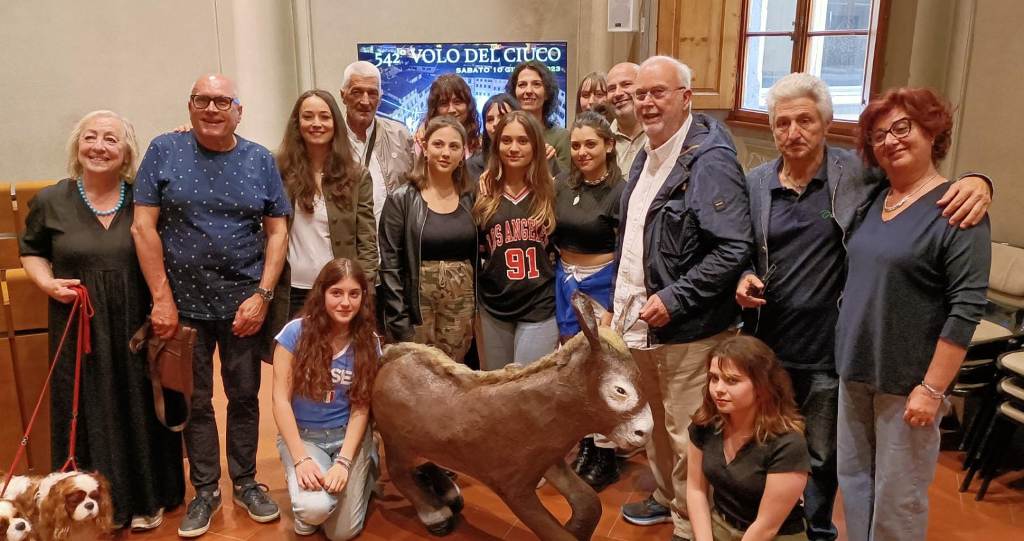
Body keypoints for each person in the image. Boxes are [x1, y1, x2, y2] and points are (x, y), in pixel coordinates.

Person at [734, 72, 993, 541]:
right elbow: (741, 246)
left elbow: (965, 304)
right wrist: (742, 275)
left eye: (805, 120)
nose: (793, 132)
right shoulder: (769, 185)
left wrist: (979, 181)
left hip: (858, 360)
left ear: (826, 123)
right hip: (810, 352)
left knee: (861, 476)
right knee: (842, 474)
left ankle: (817, 532)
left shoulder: (861, 177)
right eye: (782, 123)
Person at [131, 73, 290, 537]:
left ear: (239, 111)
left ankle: (245, 481)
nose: (212, 109)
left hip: (244, 306)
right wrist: (161, 299)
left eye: (223, 101)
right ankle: (204, 489)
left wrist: (262, 296)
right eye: (203, 100)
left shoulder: (259, 159)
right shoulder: (164, 150)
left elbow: (277, 231)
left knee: (244, 397)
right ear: (190, 106)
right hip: (182, 308)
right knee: (195, 401)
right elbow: (142, 228)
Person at [834, 87, 990, 541]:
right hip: (854, 367)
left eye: (903, 128)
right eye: (879, 134)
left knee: (898, 501)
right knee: (856, 486)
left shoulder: (957, 210)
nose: (891, 140)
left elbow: (966, 308)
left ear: (932, 132)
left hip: (909, 381)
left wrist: (933, 389)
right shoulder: (874, 199)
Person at [19, 110, 185, 531]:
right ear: (77, 146)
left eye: (111, 139)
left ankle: (147, 499)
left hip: (134, 322)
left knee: (140, 404)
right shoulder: (51, 200)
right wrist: (47, 283)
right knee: (90, 409)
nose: (99, 146)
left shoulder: (144, 199)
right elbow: (32, 251)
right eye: (90, 137)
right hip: (79, 325)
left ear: (127, 151)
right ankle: (85, 507)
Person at [613, 56, 752, 541]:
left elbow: (733, 246)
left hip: (687, 329)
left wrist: (675, 298)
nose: (647, 103)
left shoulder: (709, 160)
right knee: (655, 422)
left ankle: (690, 525)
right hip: (640, 324)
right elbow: (636, 237)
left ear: (686, 97)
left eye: (659, 92)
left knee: (687, 432)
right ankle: (670, 500)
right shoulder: (648, 152)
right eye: (641, 94)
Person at [271, 258, 380, 539]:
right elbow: (280, 401)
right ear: (322, 293)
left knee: (340, 534)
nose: (345, 303)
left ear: (363, 297)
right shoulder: (294, 333)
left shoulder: (368, 341)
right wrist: (300, 459)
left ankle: (365, 467)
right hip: (305, 438)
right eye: (336, 293)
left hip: (348, 438)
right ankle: (316, 490)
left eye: (354, 294)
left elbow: (361, 406)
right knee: (313, 511)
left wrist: (344, 462)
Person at [265, 89, 378, 357]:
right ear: (297, 123)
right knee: (291, 365)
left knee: (336, 365)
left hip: (338, 294)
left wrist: (363, 291)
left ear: (335, 123)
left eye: (324, 117)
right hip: (290, 292)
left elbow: (367, 241)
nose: (316, 123)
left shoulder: (356, 175)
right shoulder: (276, 169)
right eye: (308, 116)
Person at [553, 111, 625, 490]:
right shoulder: (563, 186)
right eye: (576, 145)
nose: (582, 152)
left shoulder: (621, 192)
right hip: (565, 283)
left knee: (603, 371)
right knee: (576, 369)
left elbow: (628, 252)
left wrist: (613, 305)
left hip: (602, 284)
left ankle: (606, 453)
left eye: (591, 144)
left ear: (608, 145)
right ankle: (586, 444)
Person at [686, 336, 810, 541]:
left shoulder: (788, 444)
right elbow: (696, 490)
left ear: (761, 387)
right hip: (720, 525)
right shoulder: (705, 425)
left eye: (731, 380)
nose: (718, 389)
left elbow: (766, 527)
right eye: (714, 378)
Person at [379, 116, 477, 362]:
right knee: (417, 374)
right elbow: (390, 265)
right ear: (424, 147)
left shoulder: (472, 198)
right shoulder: (401, 199)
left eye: (454, 146)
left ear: (463, 154)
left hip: (460, 309)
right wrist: (399, 320)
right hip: (415, 311)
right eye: (438, 144)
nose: (445, 153)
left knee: (454, 374)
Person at [473, 110, 559, 369]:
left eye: (523, 141)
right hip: (494, 306)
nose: (513, 148)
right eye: (506, 140)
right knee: (497, 387)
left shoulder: (552, 191)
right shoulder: (483, 192)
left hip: (539, 306)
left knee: (529, 386)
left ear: (536, 146)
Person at [339, 60, 415, 224]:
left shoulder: (400, 136)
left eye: (372, 93)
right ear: (343, 95)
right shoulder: (331, 139)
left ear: (380, 98)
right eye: (357, 92)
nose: (365, 101)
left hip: (392, 236)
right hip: (346, 236)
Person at [467, 93, 560, 183]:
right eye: (490, 119)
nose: (495, 124)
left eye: (503, 116)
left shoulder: (545, 156)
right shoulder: (473, 165)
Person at [506, 60, 570, 174]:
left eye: (536, 84)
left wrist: (552, 161)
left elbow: (567, 179)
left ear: (547, 93)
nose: (528, 91)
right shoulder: (504, 135)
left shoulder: (561, 137)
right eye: (522, 85)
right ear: (514, 92)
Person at [415, 73, 481, 157]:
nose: (451, 110)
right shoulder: (422, 142)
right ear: (435, 109)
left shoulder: (477, 142)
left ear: (468, 105)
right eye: (444, 104)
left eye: (457, 102)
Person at [606, 62, 648, 174]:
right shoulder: (602, 141)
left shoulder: (660, 135)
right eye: (611, 88)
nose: (617, 93)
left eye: (626, 84)